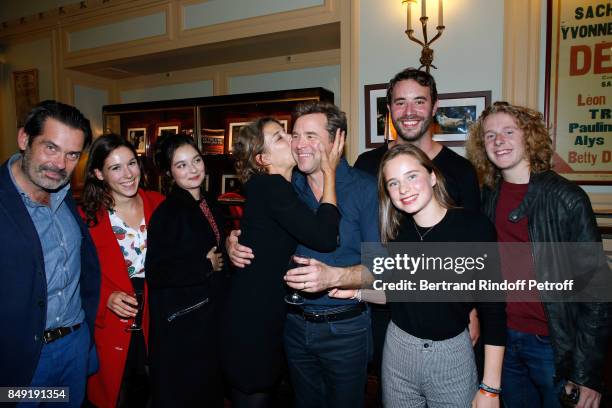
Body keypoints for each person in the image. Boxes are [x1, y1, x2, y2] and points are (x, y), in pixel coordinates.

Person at [329, 144, 506, 407]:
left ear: (432, 176)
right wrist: (357, 292)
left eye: (412, 176)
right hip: (398, 353)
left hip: (451, 357)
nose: (404, 189)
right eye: (393, 183)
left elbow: (494, 311)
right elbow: (400, 294)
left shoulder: (474, 228)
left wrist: (491, 388)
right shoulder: (395, 232)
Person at [227, 102, 379, 408]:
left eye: (310, 135)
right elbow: (261, 233)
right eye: (293, 136)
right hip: (291, 326)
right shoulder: (286, 184)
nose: (298, 144)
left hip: (345, 329)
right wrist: (232, 243)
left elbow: (384, 267)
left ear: (337, 141)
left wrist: (337, 277)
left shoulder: (366, 188)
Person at [467, 101, 611, 408]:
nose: (498, 141)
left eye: (508, 131)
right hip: (502, 339)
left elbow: (597, 293)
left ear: (529, 136)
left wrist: (587, 374)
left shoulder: (567, 198)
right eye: (490, 135)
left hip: (553, 346)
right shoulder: (487, 197)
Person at [0, 100, 100, 406]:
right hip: (23, 362)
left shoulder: (67, 197)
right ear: (24, 139)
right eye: (51, 148)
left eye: (72, 155)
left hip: (74, 348)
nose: (60, 164)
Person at [80, 134, 165, 408]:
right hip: (112, 325)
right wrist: (105, 298)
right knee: (117, 396)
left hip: (157, 317)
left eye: (132, 163)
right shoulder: (86, 218)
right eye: (115, 168)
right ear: (98, 173)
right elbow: (73, 274)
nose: (128, 174)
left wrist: (222, 246)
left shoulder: (159, 203)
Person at [145, 133, 227, 408]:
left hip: (209, 317)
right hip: (183, 325)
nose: (193, 169)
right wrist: (204, 265)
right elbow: (156, 273)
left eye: (196, 160)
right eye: (181, 165)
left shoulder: (209, 202)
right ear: (169, 172)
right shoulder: (168, 213)